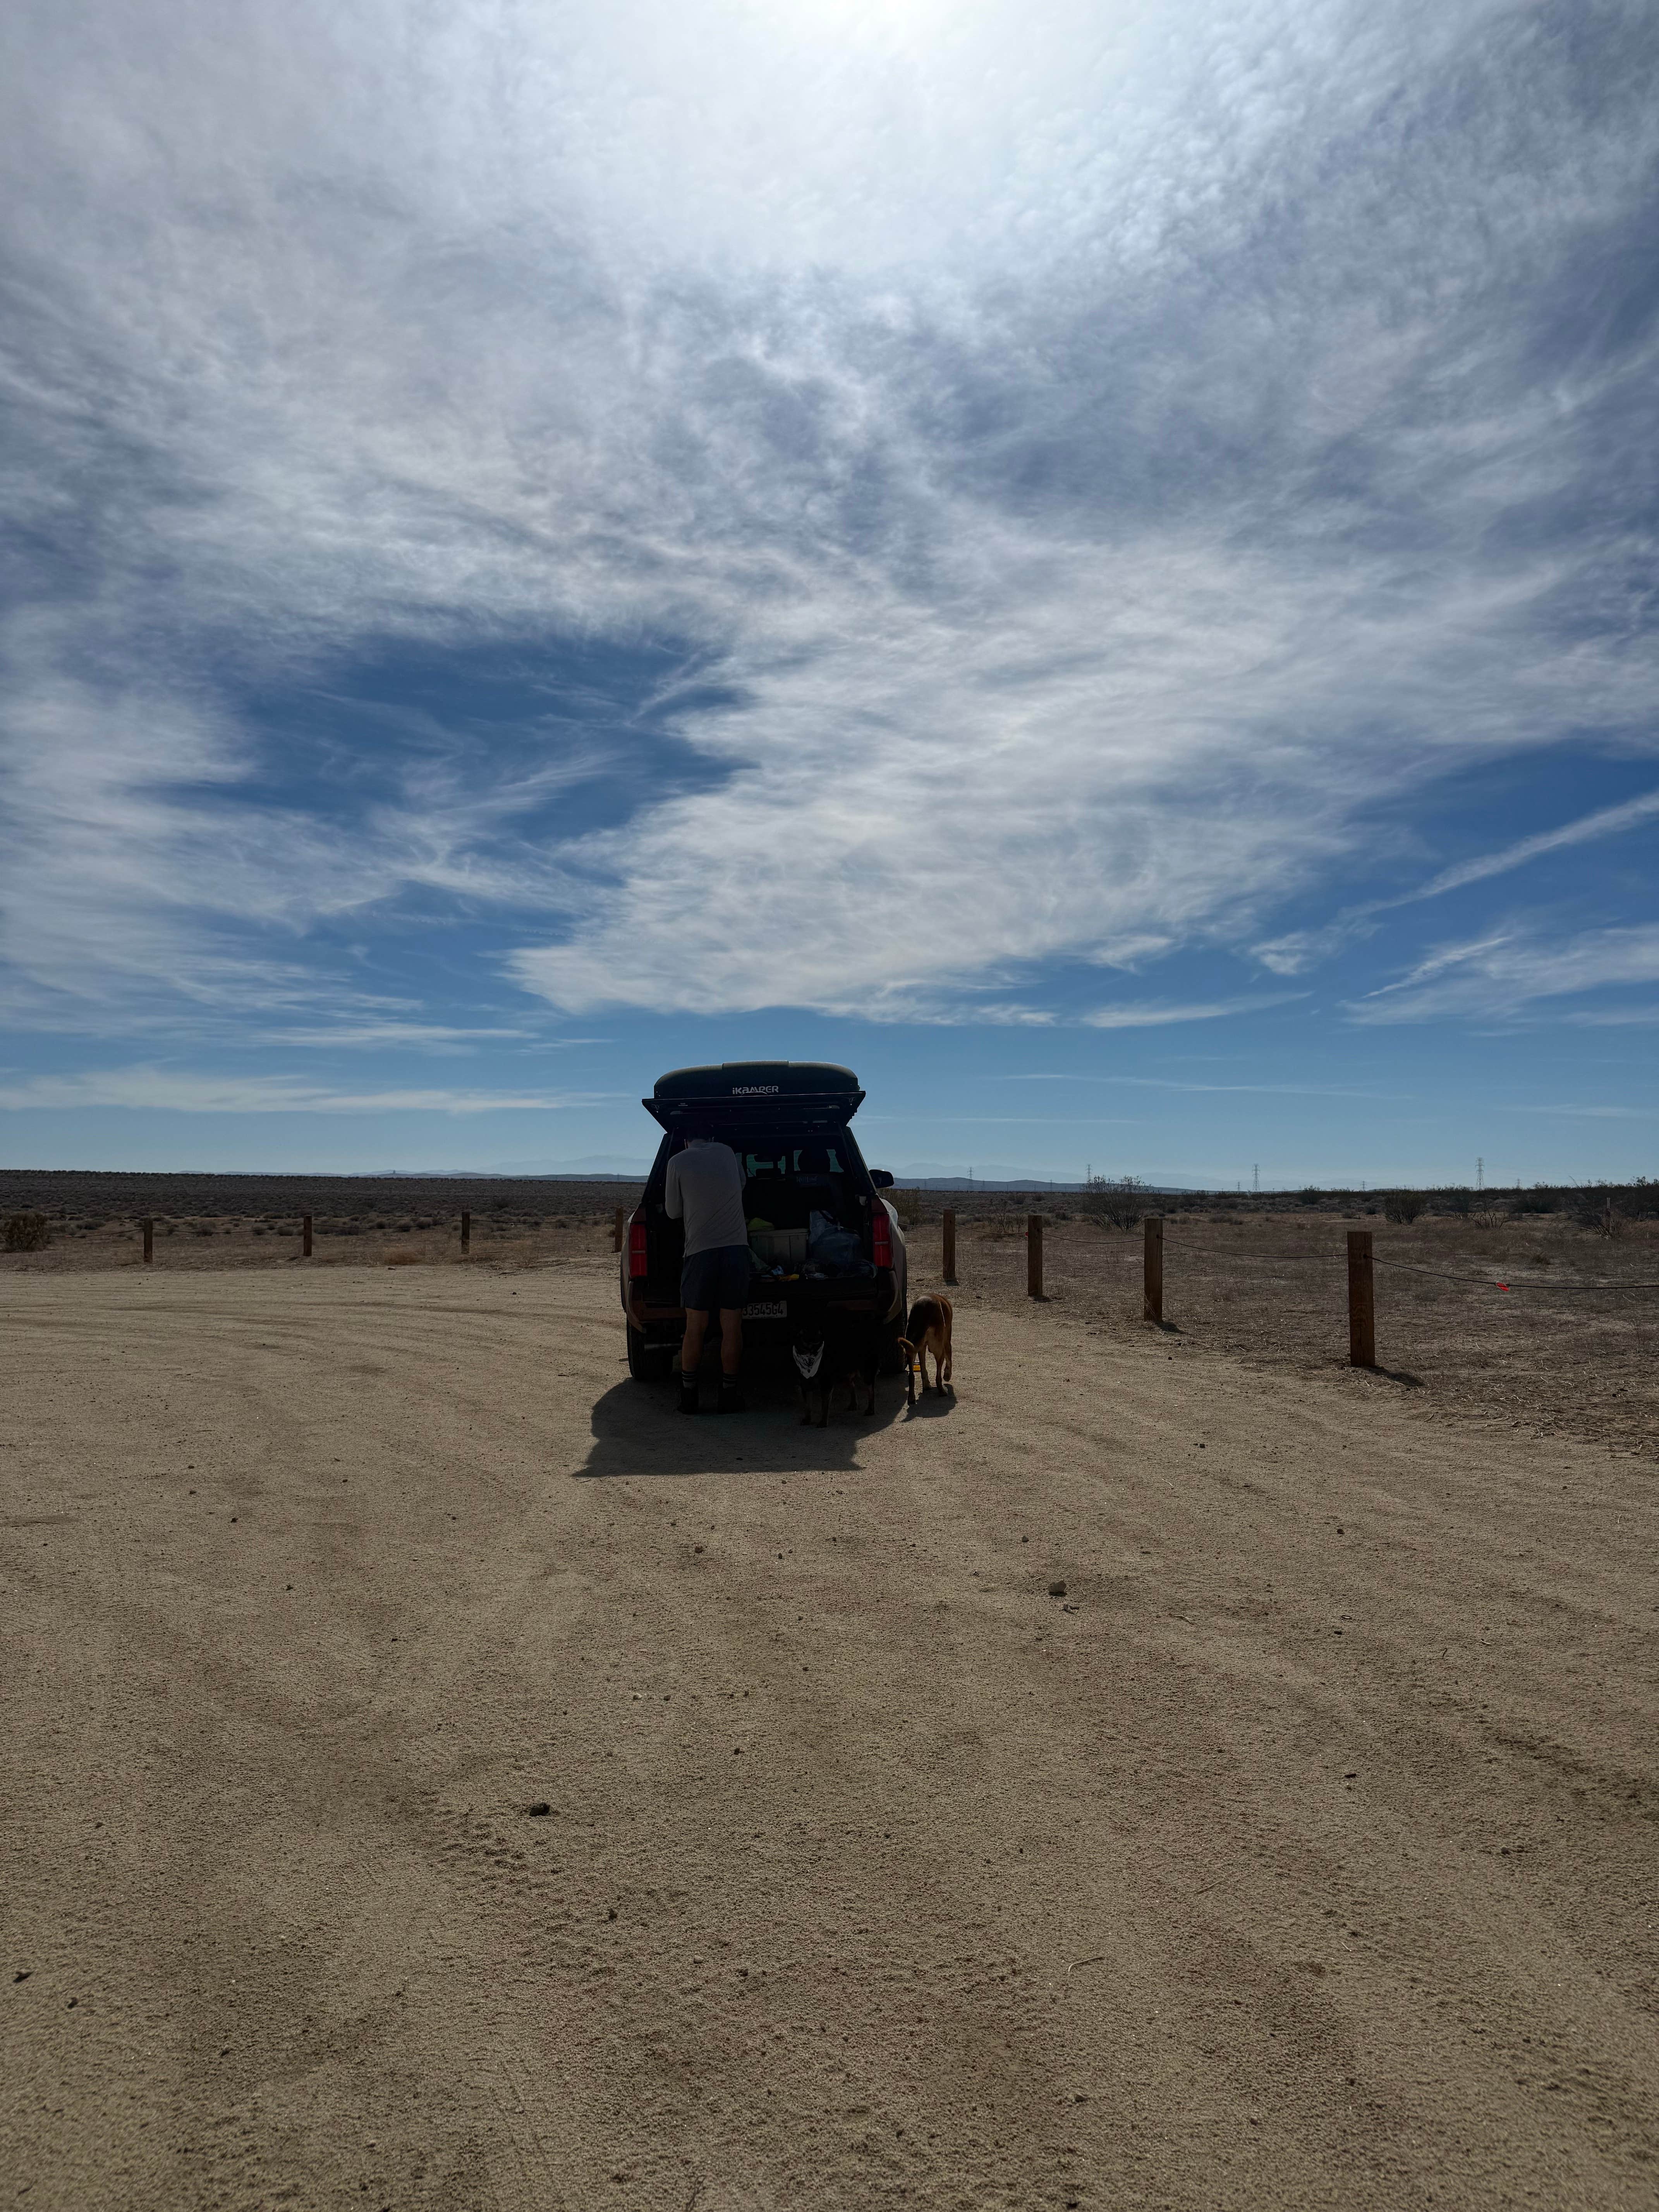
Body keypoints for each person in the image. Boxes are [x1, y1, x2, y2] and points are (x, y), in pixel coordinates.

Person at [665, 1133, 751, 1414]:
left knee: (695, 1327)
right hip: (736, 1249)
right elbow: (742, 1185)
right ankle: (729, 1395)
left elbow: (673, 1212)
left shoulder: (678, 1161)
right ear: (711, 1135)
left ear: (685, 1140)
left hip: (699, 1252)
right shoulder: (727, 1152)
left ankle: (689, 1397)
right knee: (732, 1326)